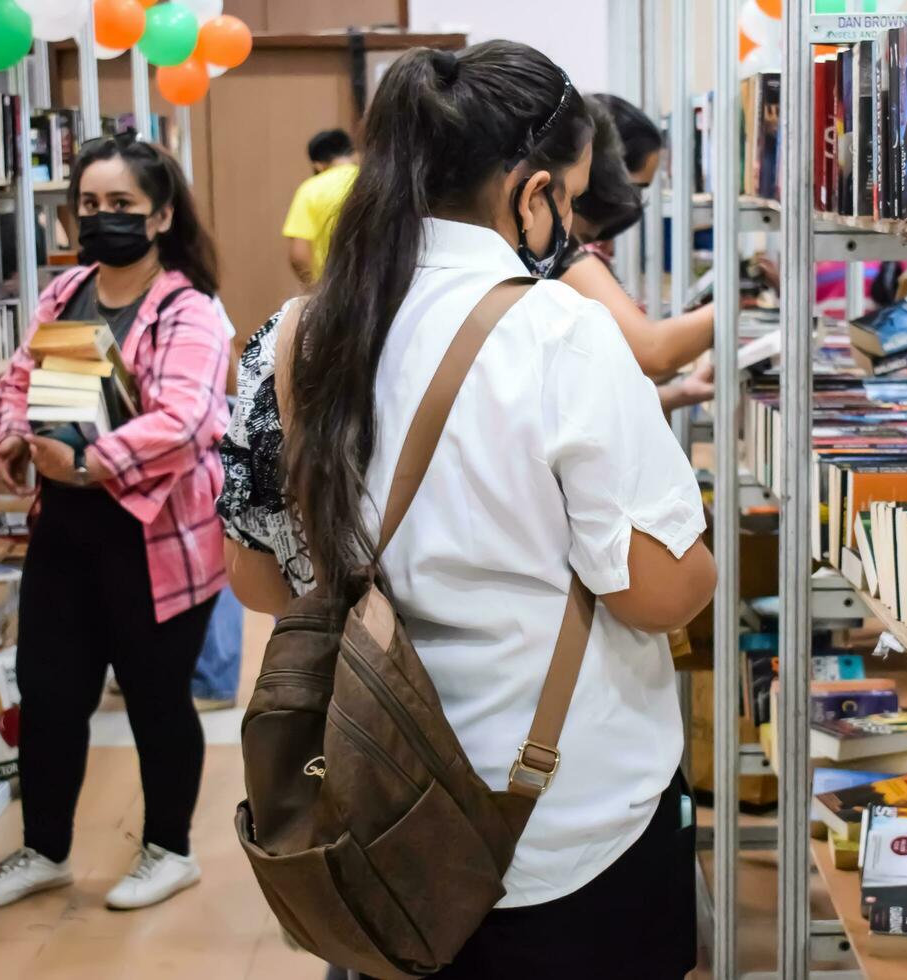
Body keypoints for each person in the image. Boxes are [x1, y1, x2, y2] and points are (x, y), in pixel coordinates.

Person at [221, 43, 714, 978]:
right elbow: (655, 593)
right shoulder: (560, 331)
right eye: (565, 199)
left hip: (373, 809)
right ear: (532, 195)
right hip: (564, 819)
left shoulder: (287, 337)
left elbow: (255, 577)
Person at [0, 135, 230, 912]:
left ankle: (169, 850)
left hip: (153, 538)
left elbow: (185, 422)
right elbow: (19, 380)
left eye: (121, 206)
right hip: (64, 531)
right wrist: (16, 439)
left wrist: (87, 463)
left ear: (161, 216)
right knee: (49, 694)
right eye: (89, 205)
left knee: (155, 698)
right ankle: (44, 849)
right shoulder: (66, 291)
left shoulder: (188, 307)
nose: (102, 219)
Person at [557, 94, 715, 409]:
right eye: (636, 188)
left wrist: (678, 394)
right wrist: (731, 306)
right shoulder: (565, 257)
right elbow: (652, 352)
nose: (632, 204)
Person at [282, 128, 358, 285]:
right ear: (353, 154)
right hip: (378, 291)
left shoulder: (310, 190)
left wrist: (316, 289)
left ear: (318, 165)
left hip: (332, 289)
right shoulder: (373, 183)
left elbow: (299, 255)